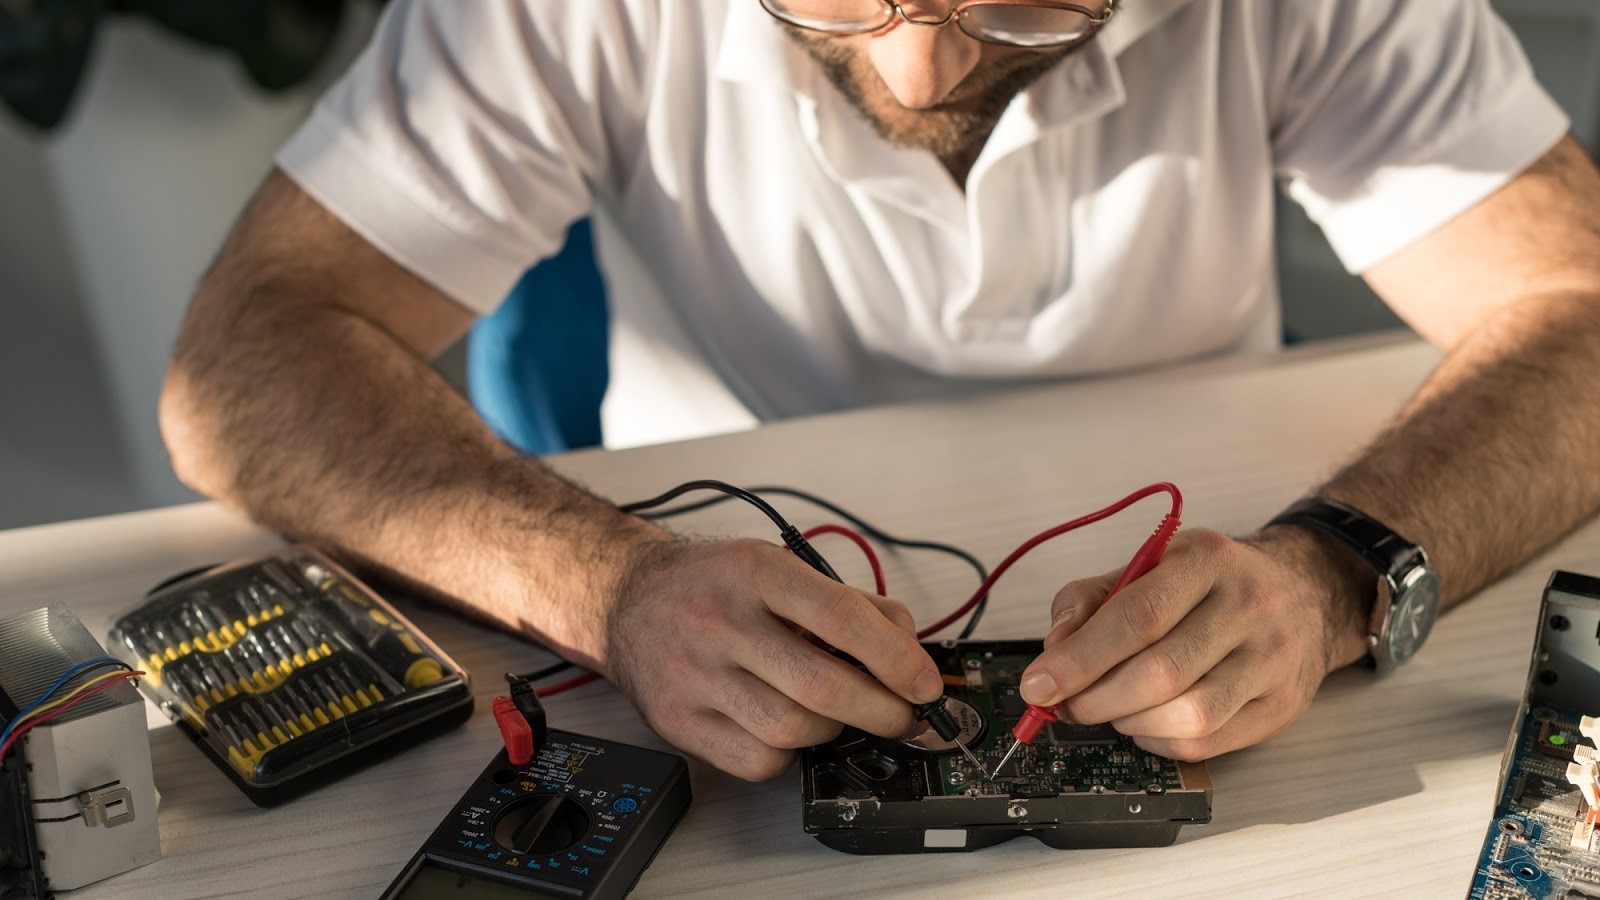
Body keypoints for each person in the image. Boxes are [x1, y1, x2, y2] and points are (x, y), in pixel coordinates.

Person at [159, 0, 1600, 782]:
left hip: (1233, 623)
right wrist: (609, 587)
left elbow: (1579, 309)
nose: (919, 61)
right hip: (695, 664)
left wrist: (1343, 574)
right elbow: (245, 357)